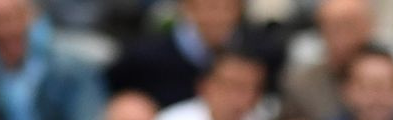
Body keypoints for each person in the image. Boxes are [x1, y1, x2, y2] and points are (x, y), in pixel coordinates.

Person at [279, 0, 393, 120]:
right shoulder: (302, 84)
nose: (341, 37)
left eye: (349, 26)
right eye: (331, 27)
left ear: (370, 27)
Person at [106, 0, 273, 110]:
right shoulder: (143, 58)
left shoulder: (263, 53)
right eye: (209, 7)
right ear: (186, 7)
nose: (217, 17)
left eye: (226, 7)